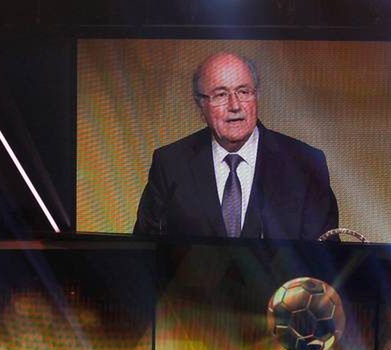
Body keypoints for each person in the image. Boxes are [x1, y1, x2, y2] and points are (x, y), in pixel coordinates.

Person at [133, 52, 338, 240]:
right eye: (221, 94)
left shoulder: (305, 164)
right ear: (200, 106)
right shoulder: (170, 164)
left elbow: (325, 260)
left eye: (243, 91)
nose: (235, 106)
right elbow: (144, 252)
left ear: (256, 96)